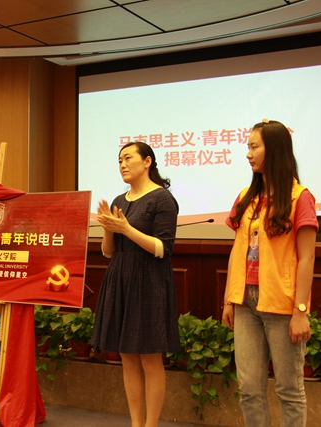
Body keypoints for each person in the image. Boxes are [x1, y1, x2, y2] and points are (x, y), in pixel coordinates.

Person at [222, 119, 318, 427]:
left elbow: (307, 258)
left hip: (282, 303)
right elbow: (237, 250)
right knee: (249, 389)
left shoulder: (299, 196)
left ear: (274, 149)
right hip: (245, 302)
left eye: (254, 147)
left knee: (289, 389)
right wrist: (229, 299)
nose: (248, 154)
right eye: (248, 147)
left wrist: (300, 311)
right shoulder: (245, 196)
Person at [92, 141, 180, 427]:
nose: (123, 165)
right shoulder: (119, 200)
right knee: (127, 356)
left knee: (150, 358)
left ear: (147, 161)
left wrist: (126, 229)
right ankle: (135, 423)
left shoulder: (162, 199)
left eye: (128, 158)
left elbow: (163, 248)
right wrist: (108, 229)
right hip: (120, 277)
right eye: (119, 160)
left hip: (149, 280)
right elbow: (108, 251)